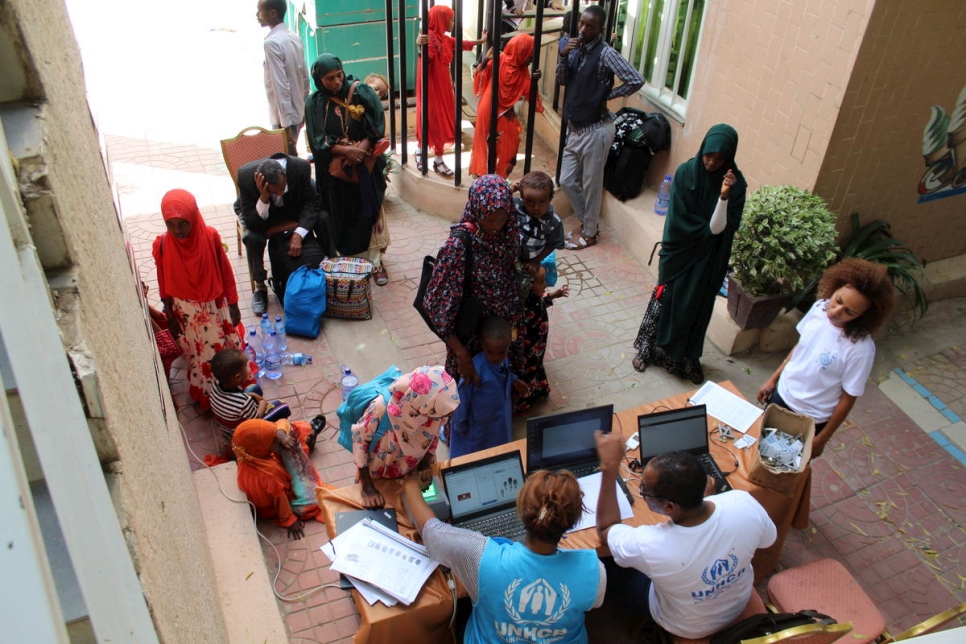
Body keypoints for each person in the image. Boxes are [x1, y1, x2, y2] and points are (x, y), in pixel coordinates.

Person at [595, 433, 777, 640]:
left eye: (644, 489)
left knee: (612, 567)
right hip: (739, 601)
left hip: (689, 627)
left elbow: (606, 530)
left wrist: (609, 471)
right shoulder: (743, 502)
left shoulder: (649, 544)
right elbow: (768, 541)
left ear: (669, 507)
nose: (640, 489)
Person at [400, 467, 605, 643]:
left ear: (521, 510)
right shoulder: (595, 571)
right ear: (574, 520)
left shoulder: (479, 556)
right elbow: (592, 603)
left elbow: (432, 532)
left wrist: (410, 485)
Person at [633, 124, 747, 385]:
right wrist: (708, 232)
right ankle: (648, 349)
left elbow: (720, 228)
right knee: (667, 300)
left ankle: (687, 358)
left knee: (697, 308)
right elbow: (682, 221)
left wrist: (724, 196)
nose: (711, 162)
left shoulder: (736, 186)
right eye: (709, 155)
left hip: (709, 261)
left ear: (728, 158)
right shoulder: (686, 173)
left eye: (719, 158)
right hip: (680, 253)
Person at [757, 258, 895, 457]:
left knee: (781, 464)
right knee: (759, 449)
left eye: (849, 312)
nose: (836, 311)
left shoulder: (860, 349)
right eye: (838, 300)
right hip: (782, 396)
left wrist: (822, 439)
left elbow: (848, 398)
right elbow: (801, 347)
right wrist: (773, 379)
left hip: (809, 417)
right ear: (840, 286)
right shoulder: (819, 308)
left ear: (863, 316)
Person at [556, 5, 644, 251]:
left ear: (600, 29)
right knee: (566, 180)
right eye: (581, 23)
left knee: (592, 185)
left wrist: (608, 95)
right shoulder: (572, 48)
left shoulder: (606, 53)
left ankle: (590, 233)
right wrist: (563, 55)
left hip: (597, 130)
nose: (583, 29)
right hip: (575, 129)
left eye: (590, 26)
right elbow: (562, 80)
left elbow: (636, 79)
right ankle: (587, 222)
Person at [422, 175, 522, 387]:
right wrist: (461, 354)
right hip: (469, 338)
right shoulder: (458, 247)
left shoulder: (508, 233)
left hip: (498, 335)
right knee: (469, 392)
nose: (495, 225)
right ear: (476, 211)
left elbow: (514, 268)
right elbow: (435, 306)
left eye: (501, 217)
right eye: (488, 219)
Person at [305, 54, 391, 286]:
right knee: (339, 214)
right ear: (318, 79)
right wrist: (345, 153)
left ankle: (375, 262)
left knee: (368, 211)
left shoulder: (361, 92)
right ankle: (345, 262)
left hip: (364, 168)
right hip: (334, 172)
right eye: (329, 78)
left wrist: (360, 150)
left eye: (339, 75)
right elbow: (317, 140)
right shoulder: (314, 103)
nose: (336, 82)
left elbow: (376, 127)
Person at [153, 189, 241, 410]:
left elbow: (226, 272)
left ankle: (230, 390)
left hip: (214, 306)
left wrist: (233, 302)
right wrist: (169, 314)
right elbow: (163, 280)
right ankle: (211, 396)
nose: (177, 231)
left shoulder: (210, 237)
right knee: (199, 355)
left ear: (194, 217)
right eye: (170, 224)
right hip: (187, 312)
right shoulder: (162, 245)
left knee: (221, 352)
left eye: (183, 223)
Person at [352, 366, 460, 509]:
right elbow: (360, 441)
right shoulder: (381, 408)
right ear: (423, 406)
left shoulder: (436, 410)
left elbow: (433, 434)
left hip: (414, 468)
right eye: (444, 414)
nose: (447, 417)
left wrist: (426, 462)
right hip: (381, 471)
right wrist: (367, 488)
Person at [236, 154, 327, 314]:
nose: (279, 193)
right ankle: (260, 286)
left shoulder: (300, 168)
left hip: (292, 210)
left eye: (282, 188)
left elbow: (312, 203)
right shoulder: (245, 177)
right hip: (263, 217)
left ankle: (330, 264)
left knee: (323, 217)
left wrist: (299, 233)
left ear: (284, 174)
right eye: (274, 191)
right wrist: (264, 198)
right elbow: (252, 224)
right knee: (251, 238)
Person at [414, 5, 486, 177]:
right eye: (450, 20)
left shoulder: (442, 38)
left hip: (443, 87)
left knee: (441, 120)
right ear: (441, 20)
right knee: (433, 120)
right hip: (432, 89)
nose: (453, 23)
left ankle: (434, 158)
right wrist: (419, 47)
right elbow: (423, 61)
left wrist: (480, 42)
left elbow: (458, 43)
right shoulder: (429, 39)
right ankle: (422, 153)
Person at [233, 418, 325, 540]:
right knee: (314, 502)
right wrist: (289, 519)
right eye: (273, 440)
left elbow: (282, 422)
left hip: (268, 468)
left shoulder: (244, 448)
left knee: (289, 433)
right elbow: (280, 498)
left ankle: (308, 440)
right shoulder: (270, 475)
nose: (278, 441)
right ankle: (309, 440)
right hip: (276, 502)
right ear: (261, 446)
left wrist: (281, 435)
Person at [449, 317, 528, 458]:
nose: (496, 357)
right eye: (490, 352)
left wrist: (514, 381)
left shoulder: (504, 361)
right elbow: (462, 399)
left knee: (498, 453)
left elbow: (504, 376)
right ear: (482, 345)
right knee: (474, 458)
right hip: (477, 428)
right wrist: (460, 424)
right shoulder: (474, 371)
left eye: (501, 352)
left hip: (498, 422)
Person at [469, 33, 542, 179]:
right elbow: (480, 77)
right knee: (486, 145)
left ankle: (500, 179)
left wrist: (534, 82)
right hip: (488, 109)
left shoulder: (523, 71)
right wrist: (484, 61)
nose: (532, 59)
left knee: (510, 147)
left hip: (506, 112)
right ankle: (485, 180)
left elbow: (532, 100)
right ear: (520, 52)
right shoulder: (499, 60)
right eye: (529, 54)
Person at [256, 0, 310, 156]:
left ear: (273, 13)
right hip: (297, 112)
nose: (257, 16)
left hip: (284, 118)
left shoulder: (272, 43)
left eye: (260, 11)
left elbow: (280, 85)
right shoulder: (293, 37)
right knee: (290, 159)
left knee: (286, 161)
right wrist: (302, 109)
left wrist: (285, 126)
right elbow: (305, 79)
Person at [515, 267, 569, 414]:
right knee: (529, 372)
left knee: (537, 366)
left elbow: (540, 303)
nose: (545, 284)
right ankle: (524, 402)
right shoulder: (522, 308)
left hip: (538, 344)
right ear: (527, 285)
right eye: (541, 282)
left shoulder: (534, 299)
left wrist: (553, 296)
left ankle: (539, 389)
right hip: (528, 350)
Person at [209, 348, 292, 442]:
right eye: (246, 366)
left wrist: (251, 396)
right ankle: (275, 431)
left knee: (254, 388)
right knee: (283, 406)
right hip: (242, 436)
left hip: (229, 428)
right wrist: (262, 401)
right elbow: (256, 420)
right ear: (238, 377)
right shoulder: (244, 402)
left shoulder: (216, 385)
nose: (249, 368)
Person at [510, 170, 565, 304]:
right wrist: (510, 189)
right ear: (522, 197)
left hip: (530, 260)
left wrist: (535, 261)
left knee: (538, 275)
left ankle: (538, 301)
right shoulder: (516, 206)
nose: (536, 207)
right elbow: (496, 202)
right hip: (509, 255)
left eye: (542, 202)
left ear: (550, 198)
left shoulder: (553, 223)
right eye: (529, 202)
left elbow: (552, 244)